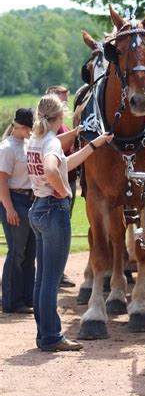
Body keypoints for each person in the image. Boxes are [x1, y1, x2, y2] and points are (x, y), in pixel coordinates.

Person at [27, 93, 113, 352]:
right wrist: (64, 191)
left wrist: (92, 143)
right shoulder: (51, 143)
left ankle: (44, 334)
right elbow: (53, 169)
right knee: (51, 280)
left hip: (38, 209)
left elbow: (64, 162)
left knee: (42, 278)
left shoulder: (37, 139)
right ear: (59, 115)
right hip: (54, 211)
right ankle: (52, 337)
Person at [0, 108, 36, 314]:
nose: (30, 132)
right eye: (28, 128)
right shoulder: (6, 148)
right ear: (20, 127)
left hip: (30, 199)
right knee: (17, 251)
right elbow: (2, 182)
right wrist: (9, 208)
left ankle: (27, 297)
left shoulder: (28, 144)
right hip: (15, 198)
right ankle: (12, 301)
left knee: (30, 252)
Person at [45, 85, 77, 288]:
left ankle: (58, 273)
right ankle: (53, 276)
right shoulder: (50, 134)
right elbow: (53, 165)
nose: (65, 102)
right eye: (62, 99)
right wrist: (64, 191)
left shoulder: (61, 126)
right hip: (56, 188)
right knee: (56, 234)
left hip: (68, 180)